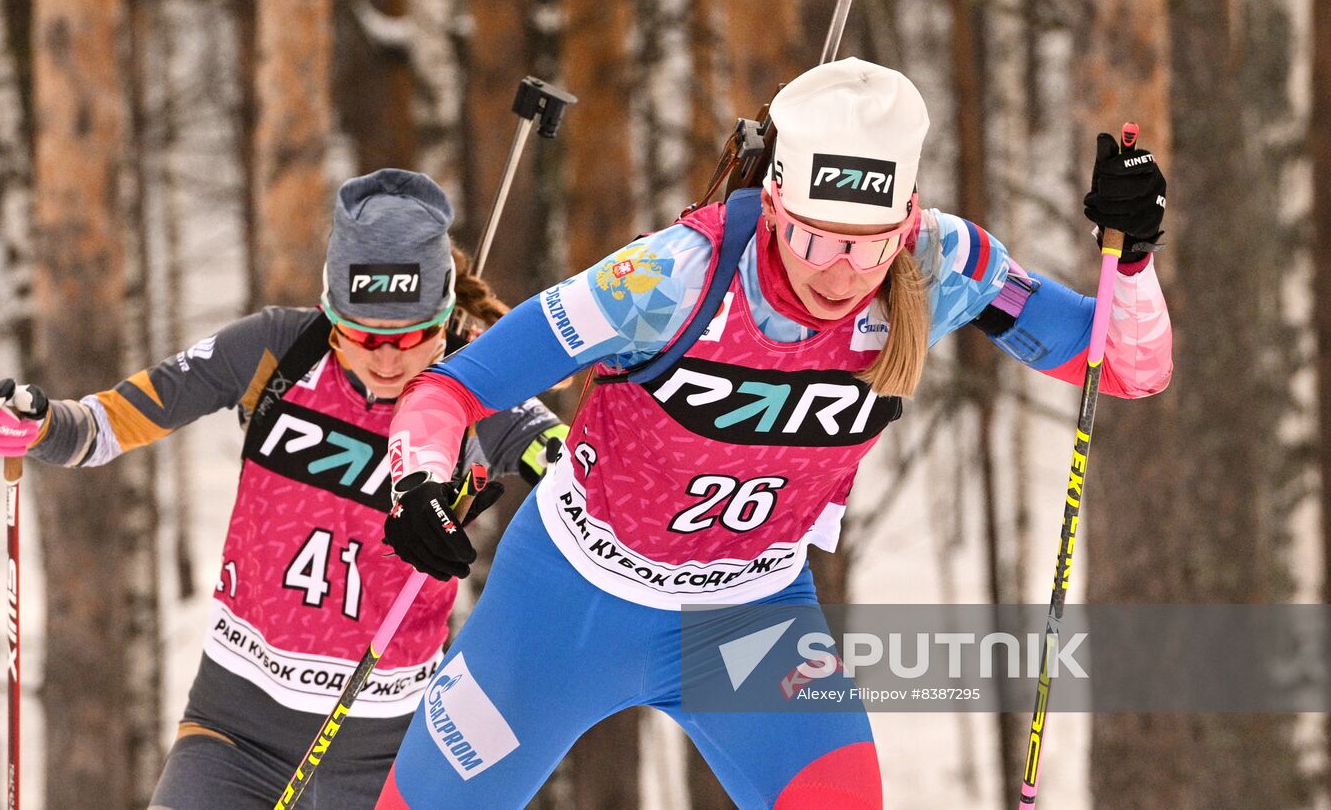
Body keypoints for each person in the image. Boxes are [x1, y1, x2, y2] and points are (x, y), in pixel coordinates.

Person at [373, 58, 1173, 809]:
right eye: (814, 238)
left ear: (905, 222)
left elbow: (1123, 366)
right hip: (567, 602)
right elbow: (454, 385)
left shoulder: (939, 263)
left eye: (869, 245)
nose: (840, 272)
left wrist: (1131, 260)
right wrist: (417, 480)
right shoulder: (667, 278)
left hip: (750, 621)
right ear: (774, 206)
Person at [0, 169, 566, 809]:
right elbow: (114, 420)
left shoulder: (475, 383)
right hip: (235, 734)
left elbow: (565, 457)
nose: (388, 360)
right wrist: (41, 427)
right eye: (365, 336)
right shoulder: (277, 350)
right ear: (330, 313)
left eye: (412, 337)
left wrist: (556, 459)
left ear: (445, 316)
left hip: (391, 749)